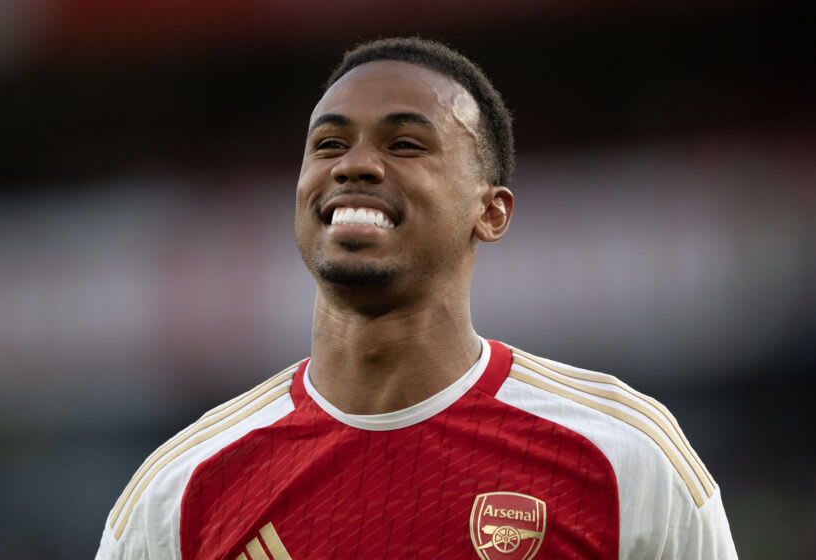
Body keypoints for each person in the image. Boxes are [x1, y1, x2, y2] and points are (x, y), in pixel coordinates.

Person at [96, 37, 737, 560]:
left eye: (405, 144)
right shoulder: (181, 493)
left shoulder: (623, 457)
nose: (354, 165)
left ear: (490, 212)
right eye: (328, 144)